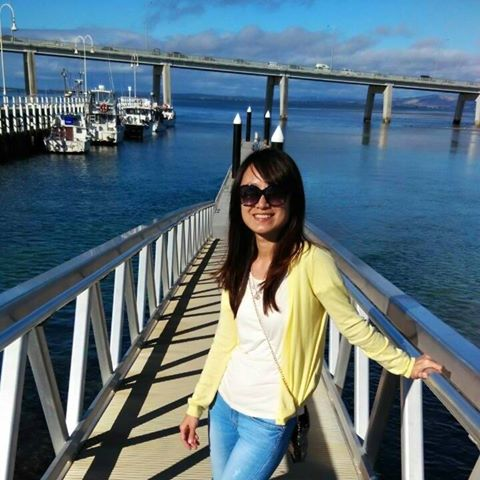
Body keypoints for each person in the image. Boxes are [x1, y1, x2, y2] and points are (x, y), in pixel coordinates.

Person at [179, 148, 442, 480]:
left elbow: (353, 327)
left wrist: (405, 364)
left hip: (268, 419)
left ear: (292, 200)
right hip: (224, 406)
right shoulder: (239, 261)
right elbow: (224, 341)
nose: (261, 203)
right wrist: (196, 405)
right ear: (238, 201)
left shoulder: (313, 262)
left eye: (274, 193)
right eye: (250, 193)